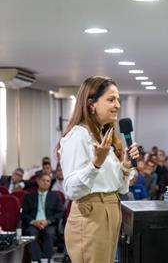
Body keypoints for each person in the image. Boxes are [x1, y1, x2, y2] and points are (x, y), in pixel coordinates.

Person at [58, 76, 139, 263]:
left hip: (110, 208)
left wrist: (125, 166)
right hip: (91, 214)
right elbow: (71, 189)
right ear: (91, 104)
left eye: (118, 99)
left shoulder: (103, 136)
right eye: (111, 99)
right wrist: (96, 164)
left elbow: (121, 188)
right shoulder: (78, 136)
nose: (117, 105)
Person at [21, 173, 64, 262]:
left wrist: (48, 221)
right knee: (31, 232)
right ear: (38, 181)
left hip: (49, 223)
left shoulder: (55, 196)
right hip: (34, 223)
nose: (45, 183)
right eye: (43, 180)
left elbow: (60, 213)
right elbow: (24, 214)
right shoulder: (29, 196)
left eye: (48, 181)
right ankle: (36, 260)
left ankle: (46, 260)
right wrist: (33, 222)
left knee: (49, 233)